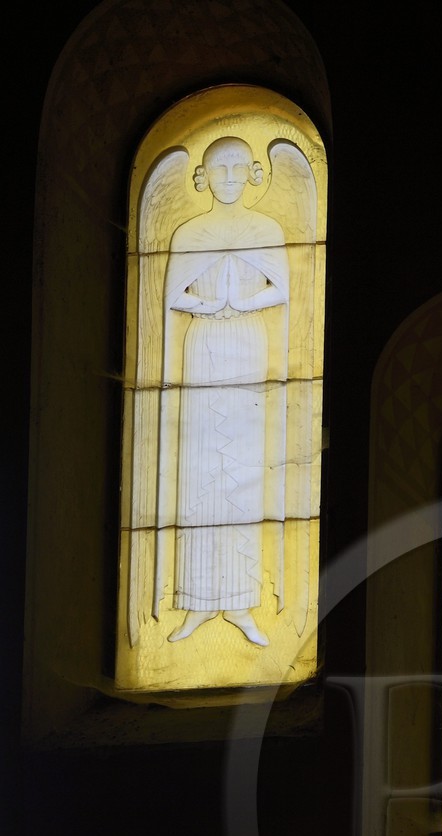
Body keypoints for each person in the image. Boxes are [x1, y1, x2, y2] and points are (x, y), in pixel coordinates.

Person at [163, 137, 289, 646]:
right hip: (205, 346)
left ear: (254, 172)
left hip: (246, 345)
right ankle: (196, 602)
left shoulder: (267, 229)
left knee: (241, 471)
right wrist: (211, 306)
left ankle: (240, 603)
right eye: (221, 167)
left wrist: (244, 300)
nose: (232, 174)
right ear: (205, 176)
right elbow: (175, 293)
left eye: (240, 165)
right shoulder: (191, 231)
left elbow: (282, 287)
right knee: (201, 474)